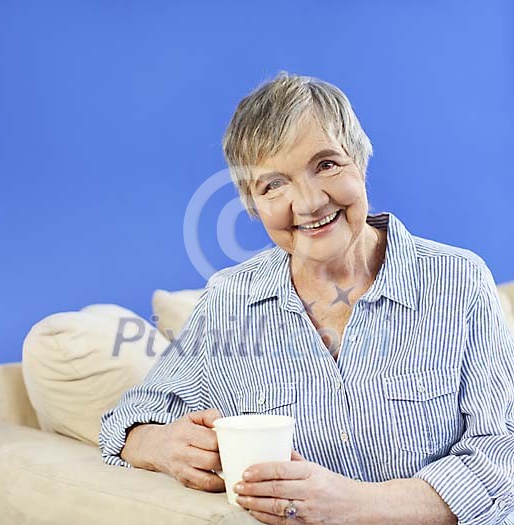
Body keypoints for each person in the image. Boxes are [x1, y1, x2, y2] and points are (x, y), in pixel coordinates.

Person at [99, 72, 514, 524]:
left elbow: (501, 455)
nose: (311, 202)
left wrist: (354, 506)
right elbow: (128, 421)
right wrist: (162, 446)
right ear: (253, 206)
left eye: (327, 165)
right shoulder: (230, 302)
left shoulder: (458, 280)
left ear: (359, 160)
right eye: (273, 185)